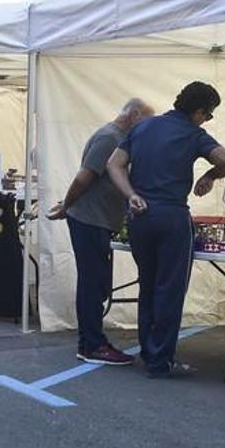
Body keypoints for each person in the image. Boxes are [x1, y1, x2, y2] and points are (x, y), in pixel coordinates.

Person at [107, 82, 225, 378]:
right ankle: (160, 360)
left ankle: (148, 351)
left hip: (140, 216)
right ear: (199, 111)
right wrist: (210, 176)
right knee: (170, 289)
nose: (207, 120)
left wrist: (131, 195)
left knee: (148, 285)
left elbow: (114, 164)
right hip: (172, 216)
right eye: (209, 114)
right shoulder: (194, 134)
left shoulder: (143, 127)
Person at [47, 98, 155, 365]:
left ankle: (91, 341)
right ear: (134, 115)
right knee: (93, 284)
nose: (148, 128)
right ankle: (92, 345)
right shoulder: (109, 138)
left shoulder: (119, 138)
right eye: (146, 121)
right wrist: (67, 205)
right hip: (89, 219)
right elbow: (84, 176)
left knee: (98, 283)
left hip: (99, 220)